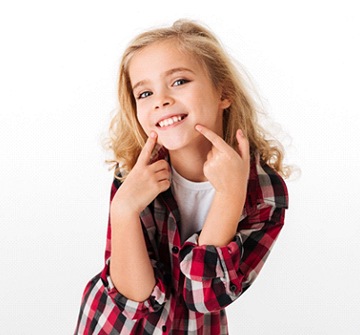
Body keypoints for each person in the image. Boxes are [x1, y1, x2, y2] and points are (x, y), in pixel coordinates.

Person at [75, 19, 289, 335]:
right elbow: (135, 301)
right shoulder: (135, 174)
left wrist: (230, 195)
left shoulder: (264, 192)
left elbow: (203, 297)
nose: (160, 100)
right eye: (145, 92)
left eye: (178, 82)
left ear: (224, 92)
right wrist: (124, 211)